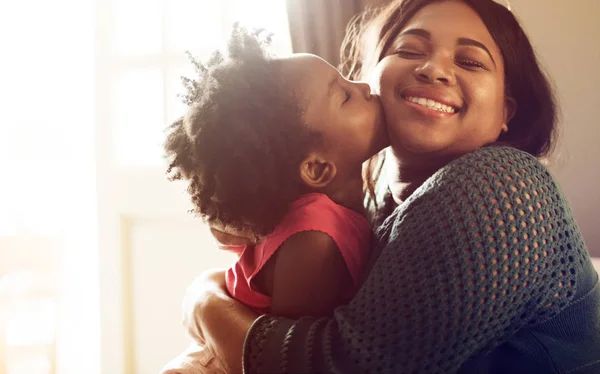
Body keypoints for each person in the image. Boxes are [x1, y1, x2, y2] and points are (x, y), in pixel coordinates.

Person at [180, 0, 600, 373]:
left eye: (470, 62)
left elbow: (343, 365)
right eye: (409, 50)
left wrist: (205, 303)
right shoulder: (373, 204)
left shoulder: (499, 185)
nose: (434, 68)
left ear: (505, 112)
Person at [160, 25, 387, 374]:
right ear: (316, 168)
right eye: (344, 96)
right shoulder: (315, 236)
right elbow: (284, 359)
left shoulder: (328, 214)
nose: (364, 87)